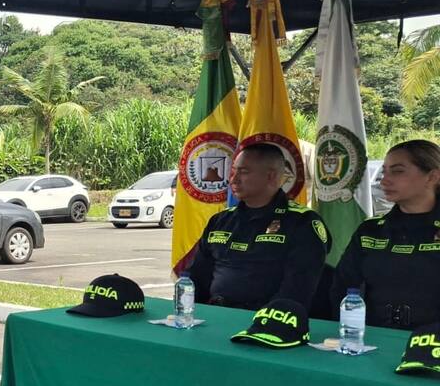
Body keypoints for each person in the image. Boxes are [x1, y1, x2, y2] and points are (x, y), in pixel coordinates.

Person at [186, 142, 330, 310]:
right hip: (216, 316)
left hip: (269, 321)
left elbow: (298, 288)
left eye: (243, 172)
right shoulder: (221, 221)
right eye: (233, 171)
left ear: (270, 176)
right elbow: (195, 278)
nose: (233, 179)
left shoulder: (302, 223)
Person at [331, 139, 440, 329]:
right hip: (374, 341)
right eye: (384, 172)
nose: (384, 181)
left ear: (432, 177)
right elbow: (342, 288)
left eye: (397, 171)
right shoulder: (370, 231)